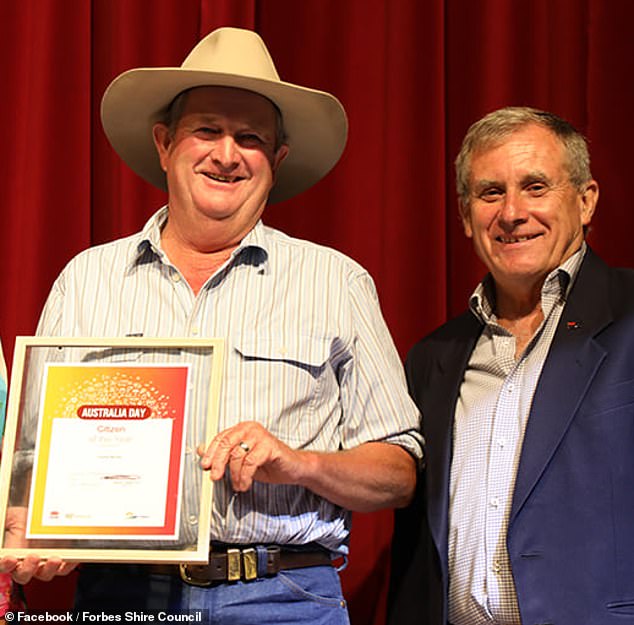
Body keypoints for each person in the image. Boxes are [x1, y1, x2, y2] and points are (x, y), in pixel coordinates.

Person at [0, 27, 422, 623]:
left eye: (250, 138)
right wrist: (29, 529)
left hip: (283, 595)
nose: (227, 154)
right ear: (165, 143)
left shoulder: (337, 282)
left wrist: (300, 463)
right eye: (207, 130)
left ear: (275, 161)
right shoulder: (86, 279)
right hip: (121, 598)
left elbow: (399, 472)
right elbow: (32, 459)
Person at [388, 106, 634, 625]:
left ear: (586, 201)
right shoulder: (432, 357)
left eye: (536, 187)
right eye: (490, 192)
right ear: (465, 214)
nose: (512, 212)